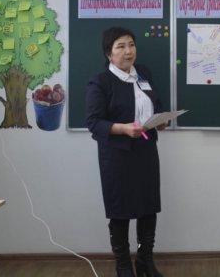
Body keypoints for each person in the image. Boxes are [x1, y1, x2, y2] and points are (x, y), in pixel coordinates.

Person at [86, 27, 165, 277]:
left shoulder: (143, 74)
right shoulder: (100, 82)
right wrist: (123, 128)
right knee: (120, 211)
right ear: (109, 54)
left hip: (146, 151)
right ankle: (123, 266)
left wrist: (160, 120)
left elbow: (154, 104)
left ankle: (145, 261)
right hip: (117, 156)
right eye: (121, 46)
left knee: (148, 207)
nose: (128, 51)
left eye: (131, 44)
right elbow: (94, 122)